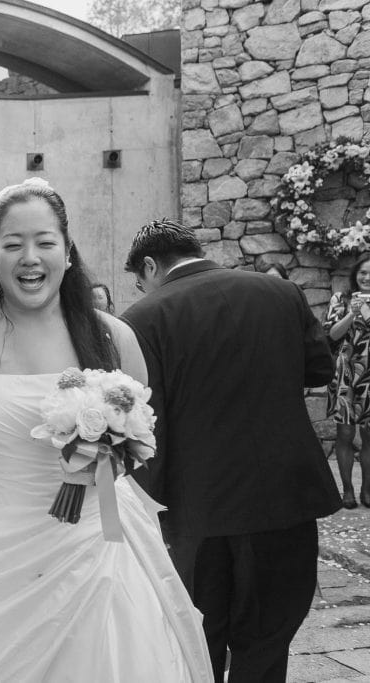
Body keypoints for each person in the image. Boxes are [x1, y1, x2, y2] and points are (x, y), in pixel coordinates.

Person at [0, 180, 210, 681]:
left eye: (44, 242)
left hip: (92, 541)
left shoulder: (111, 336)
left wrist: (110, 447)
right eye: (13, 244)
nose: (30, 257)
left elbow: (144, 434)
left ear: (67, 253)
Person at [121, 219, 339, 683]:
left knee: (201, 634)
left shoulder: (142, 318)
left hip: (199, 506)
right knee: (269, 634)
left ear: (150, 265)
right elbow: (319, 368)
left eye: (140, 281)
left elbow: (146, 419)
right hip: (284, 499)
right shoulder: (280, 294)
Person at [325, 253, 370, 509]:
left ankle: (367, 489)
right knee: (345, 432)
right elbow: (332, 334)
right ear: (355, 274)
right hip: (346, 375)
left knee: (369, 436)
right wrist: (352, 314)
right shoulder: (340, 299)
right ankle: (348, 490)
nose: (367, 277)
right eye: (363, 272)